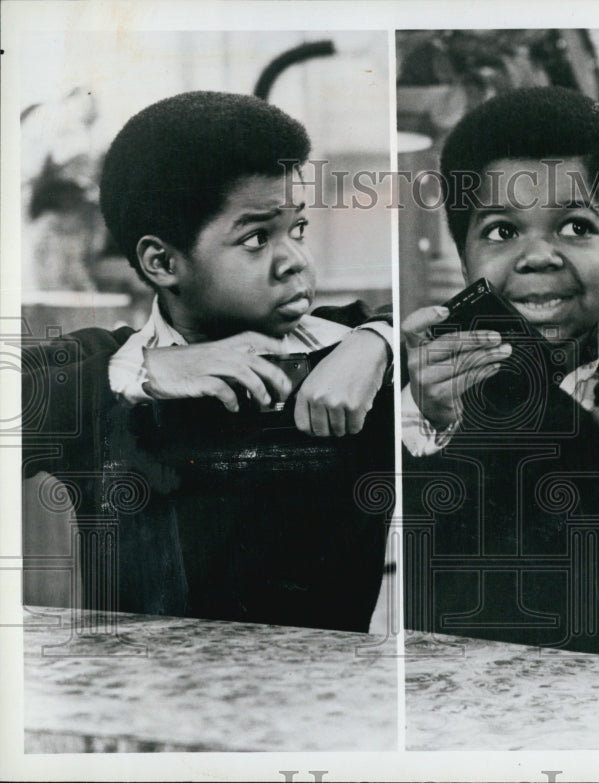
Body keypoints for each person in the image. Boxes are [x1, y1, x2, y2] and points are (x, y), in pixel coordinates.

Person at [22, 91, 393, 631]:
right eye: (257, 237)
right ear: (163, 261)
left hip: (325, 702)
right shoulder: (104, 364)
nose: (295, 260)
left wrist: (378, 341)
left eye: (298, 229)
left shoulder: (349, 346)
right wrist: (150, 370)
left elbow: (491, 328)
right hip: (139, 702)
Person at [401, 86, 599, 665]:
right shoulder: (430, 398)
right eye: (502, 232)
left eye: (576, 227)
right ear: (465, 261)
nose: (539, 256)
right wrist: (432, 423)